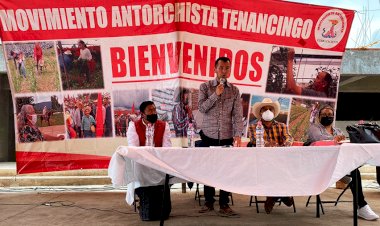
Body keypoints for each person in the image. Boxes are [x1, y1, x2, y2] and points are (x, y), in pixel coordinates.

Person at [306, 105, 379, 221]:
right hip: (320, 167)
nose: (327, 117)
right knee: (353, 171)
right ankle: (361, 205)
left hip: (338, 166)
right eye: (324, 114)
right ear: (319, 117)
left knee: (355, 171)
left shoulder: (338, 131)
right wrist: (334, 140)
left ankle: (362, 206)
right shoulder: (314, 128)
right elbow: (317, 138)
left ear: (333, 117)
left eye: (330, 115)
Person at [198, 56, 243, 217]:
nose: (224, 71)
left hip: (226, 136)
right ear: (215, 69)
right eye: (221, 68)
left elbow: (238, 115)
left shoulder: (235, 90)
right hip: (208, 135)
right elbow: (202, 108)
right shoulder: (205, 87)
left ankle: (224, 203)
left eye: (227, 68)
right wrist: (215, 94)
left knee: (226, 170)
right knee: (209, 169)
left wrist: (238, 134)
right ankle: (209, 202)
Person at [127, 101, 172, 220]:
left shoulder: (164, 125)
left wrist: (156, 160)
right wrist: (147, 159)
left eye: (154, 109)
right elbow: (134, 148)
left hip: (159, 163)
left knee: (164, 173)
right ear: (142, 114)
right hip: (142, 163)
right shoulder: (133, 126)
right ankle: (146, 208)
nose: (153, 112)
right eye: (150, 110)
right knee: (139, 173)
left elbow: (167, 147)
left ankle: (162, 210)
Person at [248, 97, 294, 214]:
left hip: (280, 158)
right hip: (262, 159)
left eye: (270, 109)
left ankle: (272, 197)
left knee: (281, 168)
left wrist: (286, 144)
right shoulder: (253, 127)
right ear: (260, 113)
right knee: (272, 169)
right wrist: (267, 143)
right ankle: (281, 195)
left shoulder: (282, 125)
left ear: (274, 112)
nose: (268, 111)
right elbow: (253, 140)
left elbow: (289, 137)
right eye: (264, 109)